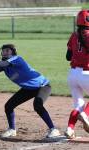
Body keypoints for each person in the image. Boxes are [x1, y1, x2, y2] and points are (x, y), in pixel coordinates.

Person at [0, 44, 60, 138]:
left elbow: (2, 64)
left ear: (13, 52)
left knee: (37, 105)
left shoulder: (17, 59)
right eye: (3, 50)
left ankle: (53, 129)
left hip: (42, 86)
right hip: (28, 89)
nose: (4, 52)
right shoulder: (4, 65)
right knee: (9, 106)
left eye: (7, 50)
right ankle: (12, 130)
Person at [65, 10, 89, 138]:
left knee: (79, 105)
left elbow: (68, 57)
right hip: (86, 73)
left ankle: (69, 129)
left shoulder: (74, 35)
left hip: (73, 75)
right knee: (83, 110)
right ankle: (85, 115)